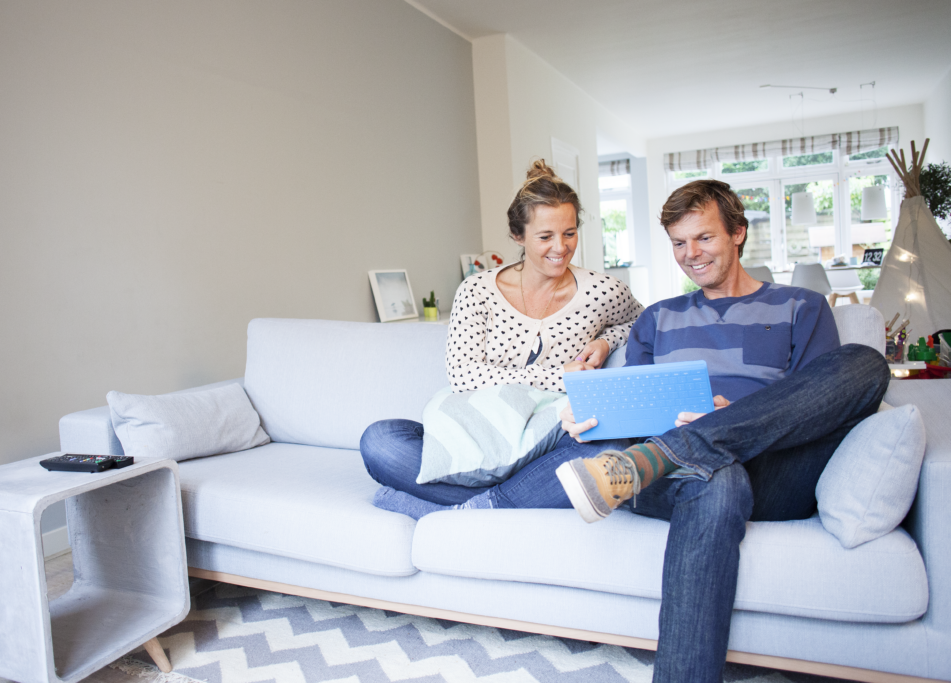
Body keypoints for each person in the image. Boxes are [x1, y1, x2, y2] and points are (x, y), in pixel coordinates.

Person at [554, 179, 890, 682]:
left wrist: (729, 414)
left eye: (704, 238)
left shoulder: (803, 306)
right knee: (715, 479)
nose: (691, 255)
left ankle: (683, 448)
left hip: (774, 472)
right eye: (678, 243)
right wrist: (583, 416)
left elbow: (819, 411)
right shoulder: (656, 319)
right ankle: (676, 454)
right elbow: (631, 412)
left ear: (737, 232)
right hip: (668, 480)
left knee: (864, 364)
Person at [359, 160, 643, 517]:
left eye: (569, 233)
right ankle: (520, 497)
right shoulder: (477, 290)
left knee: (614, 447)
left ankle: (469, 505)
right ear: (518, 236)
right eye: (545, 236)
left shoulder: (602, 290)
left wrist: (606, 341)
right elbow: (463, 374)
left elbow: (643, 324)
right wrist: (561, 378)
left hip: (550, 436)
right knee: (379, 440)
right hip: (481, 432)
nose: (561, 247)